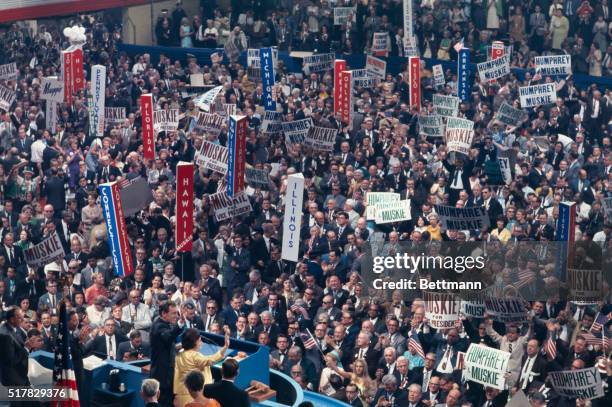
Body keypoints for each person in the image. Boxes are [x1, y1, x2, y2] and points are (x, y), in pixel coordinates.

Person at [174, 327, 230, 407]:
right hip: (194, 397)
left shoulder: (180, 354)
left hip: (182, 395)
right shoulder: (194, 356)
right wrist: (225, 347)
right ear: (194, 342)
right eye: (200, 340)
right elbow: (210, 360)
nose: (202, 343)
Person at [151, 301, 182, 407]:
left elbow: (166, 343)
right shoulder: (158, 326)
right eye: (173, 313)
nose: (176, 316)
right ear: (164, 314)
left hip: (167, 374)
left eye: (177, 313)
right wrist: (180, 324)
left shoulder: (165, 324)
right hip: (162, 375)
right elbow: (167, 336)